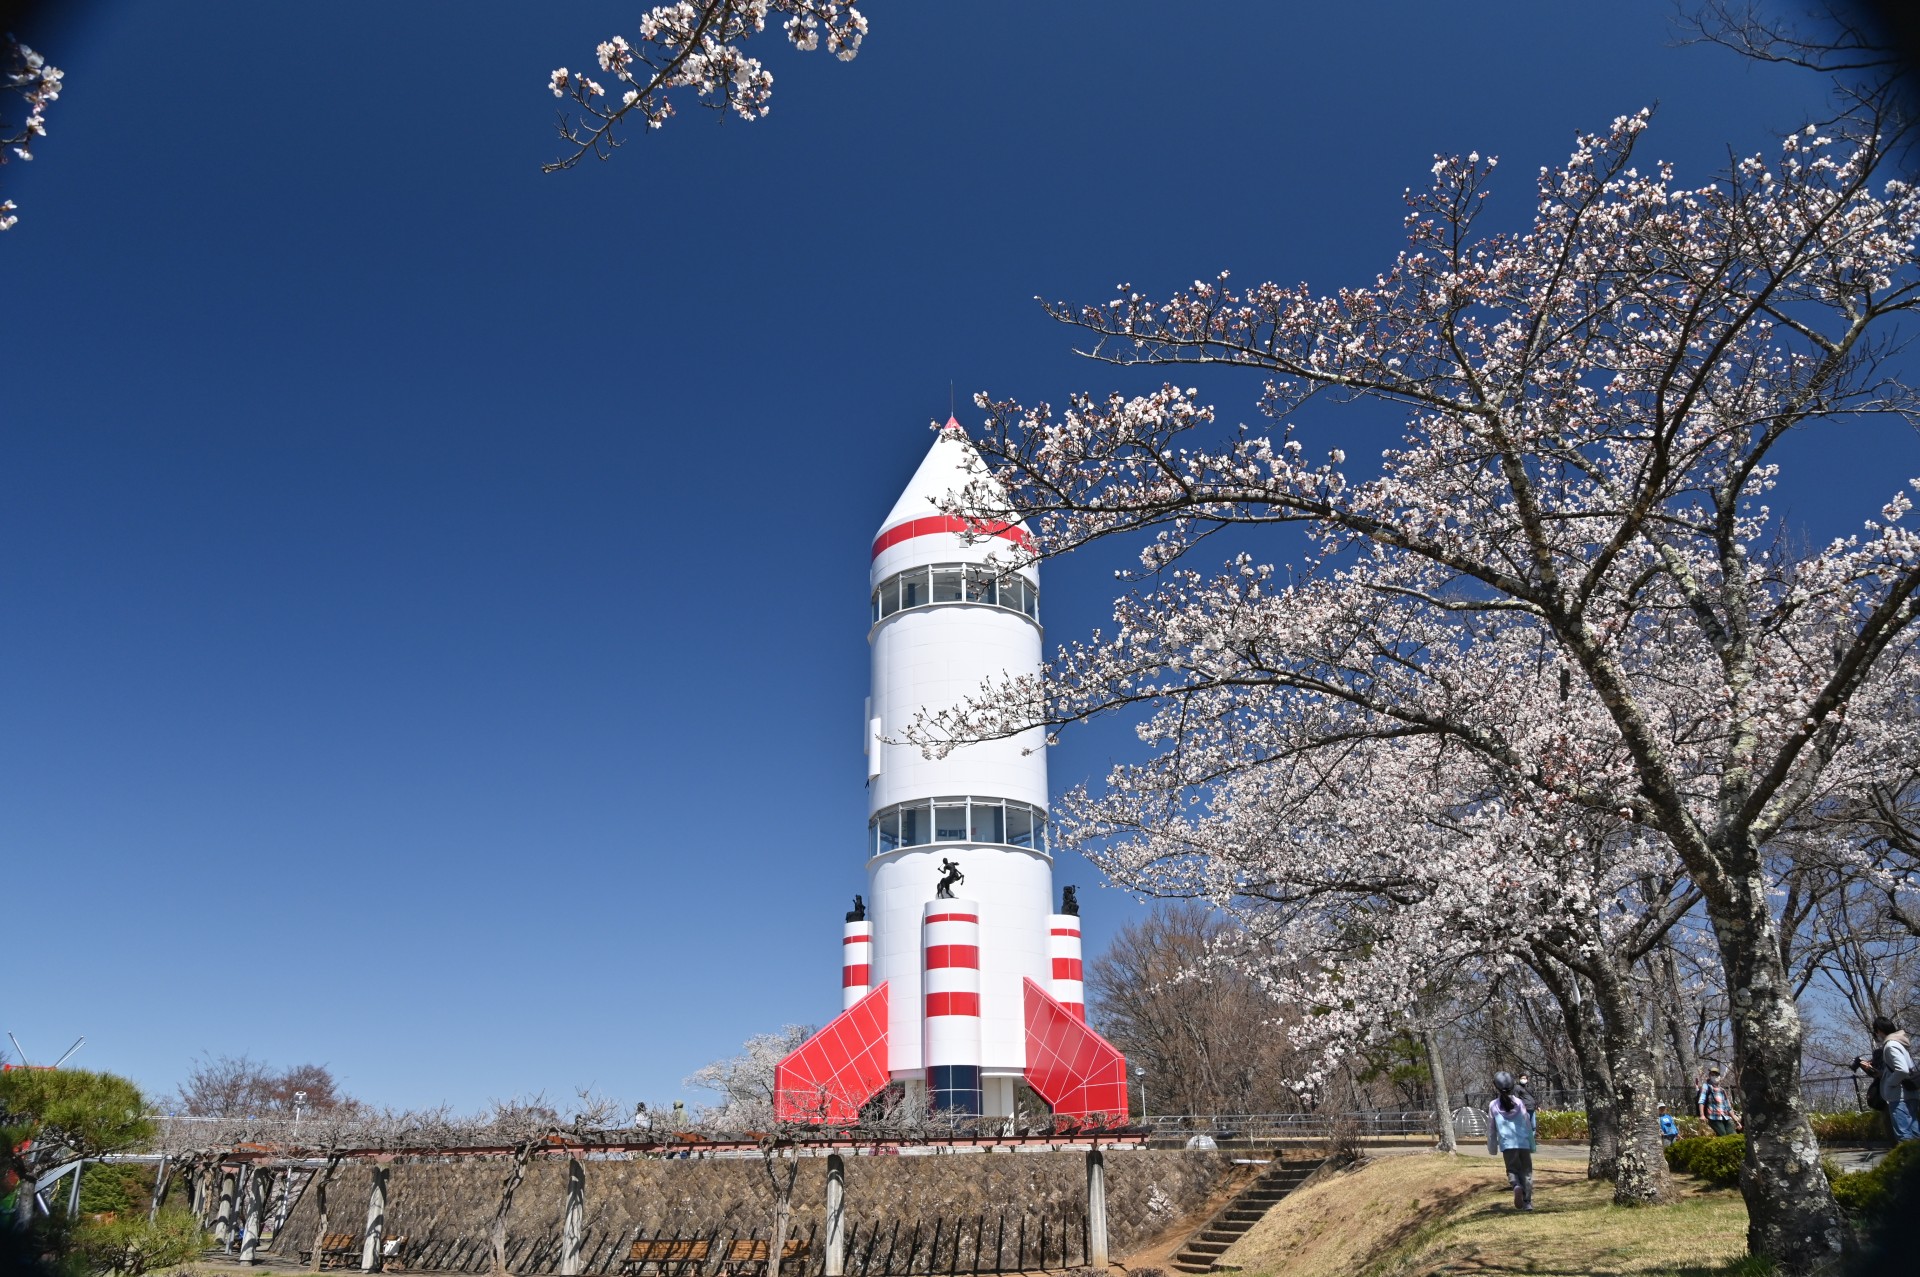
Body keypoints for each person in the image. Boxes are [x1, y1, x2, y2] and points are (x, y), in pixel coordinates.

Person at [1855, 1015, 1918, 1143]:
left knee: (1904, 1135)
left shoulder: (1890, 1045)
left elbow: (1902, 1069)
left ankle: (1909, 1162)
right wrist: (1881, 1073)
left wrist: (1890, 1083)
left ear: (1879, 1030)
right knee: (1915, 1132)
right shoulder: (1901, 1043)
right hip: (1910, 1092)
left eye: (1875, 1031)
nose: (1876, 1034)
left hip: (1899, 1095)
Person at [1485, 1070, 1535, 1211]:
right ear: (1513, 1085)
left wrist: (1492, 1147)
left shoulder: (1493, 1105)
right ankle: (1527, 1203)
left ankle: (1516, 1186)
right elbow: (1527, 1123)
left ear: (1496, 1086)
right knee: (1527, 1172)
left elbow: (1491, 1128)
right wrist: (1532, 1144)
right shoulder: (1519, 1102)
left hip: (1507, 1143)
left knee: (1512, 1170)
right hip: (1523, 1142)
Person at [1696, 1068, 1736, 1136]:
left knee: (1733, 1134)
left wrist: (1735, 1119)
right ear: (1710, 1076)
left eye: (1716, 1075)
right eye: (1712, 1075)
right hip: (1714, 1117)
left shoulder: (1722, 1090)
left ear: (1719, 1076)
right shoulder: (1706, 1087)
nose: (1715, 1077)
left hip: (1725, 1116)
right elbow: (1701, 1101)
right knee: (1723, 1135)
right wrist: (1702, 1115)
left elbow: (1728, 1106)